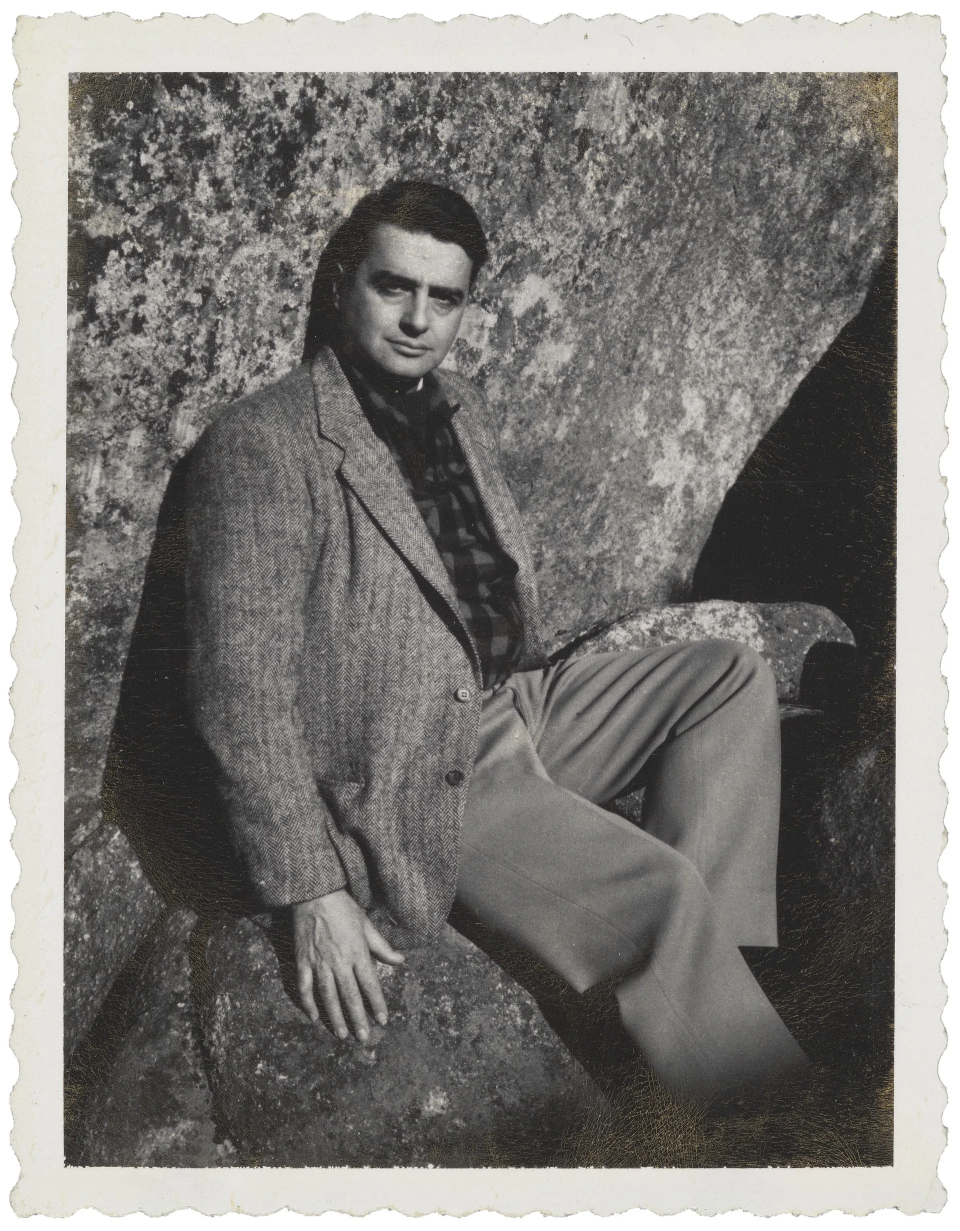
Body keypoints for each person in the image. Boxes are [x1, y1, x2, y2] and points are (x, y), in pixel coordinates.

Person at [184, 180, 809, 1103]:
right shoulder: (265, 444)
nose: (418, 320)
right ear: (343, 285)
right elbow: (237, 693)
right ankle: (772, 1121)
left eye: (444, 298)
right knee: (661, 892)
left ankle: (703, 992)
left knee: (727, 675)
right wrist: (311, 890)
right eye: (394, 287)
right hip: (415, 772)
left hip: (515, 701)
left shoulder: (458, 406)